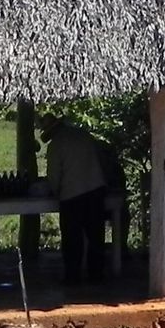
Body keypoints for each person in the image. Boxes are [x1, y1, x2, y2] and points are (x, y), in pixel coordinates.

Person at [41, 113, 110, 287]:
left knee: (72, 238)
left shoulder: (56, 145)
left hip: (72, 194)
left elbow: (54, 175)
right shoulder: (83, 135)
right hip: (96, 189)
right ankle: (97, 274)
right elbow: (100, 159)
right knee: (95, 235)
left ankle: (73, 275)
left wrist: (54, 191)